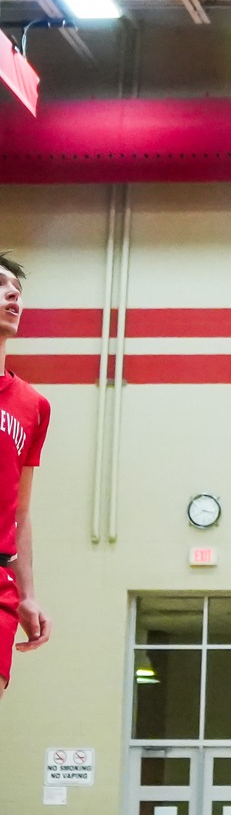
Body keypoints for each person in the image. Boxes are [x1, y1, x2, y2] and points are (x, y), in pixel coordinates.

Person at [0, 254, 51, 704]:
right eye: (0, 285)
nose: (13, 294)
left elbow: (20, 510)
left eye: (17, 289)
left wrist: (28, 594)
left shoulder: (33, 405)